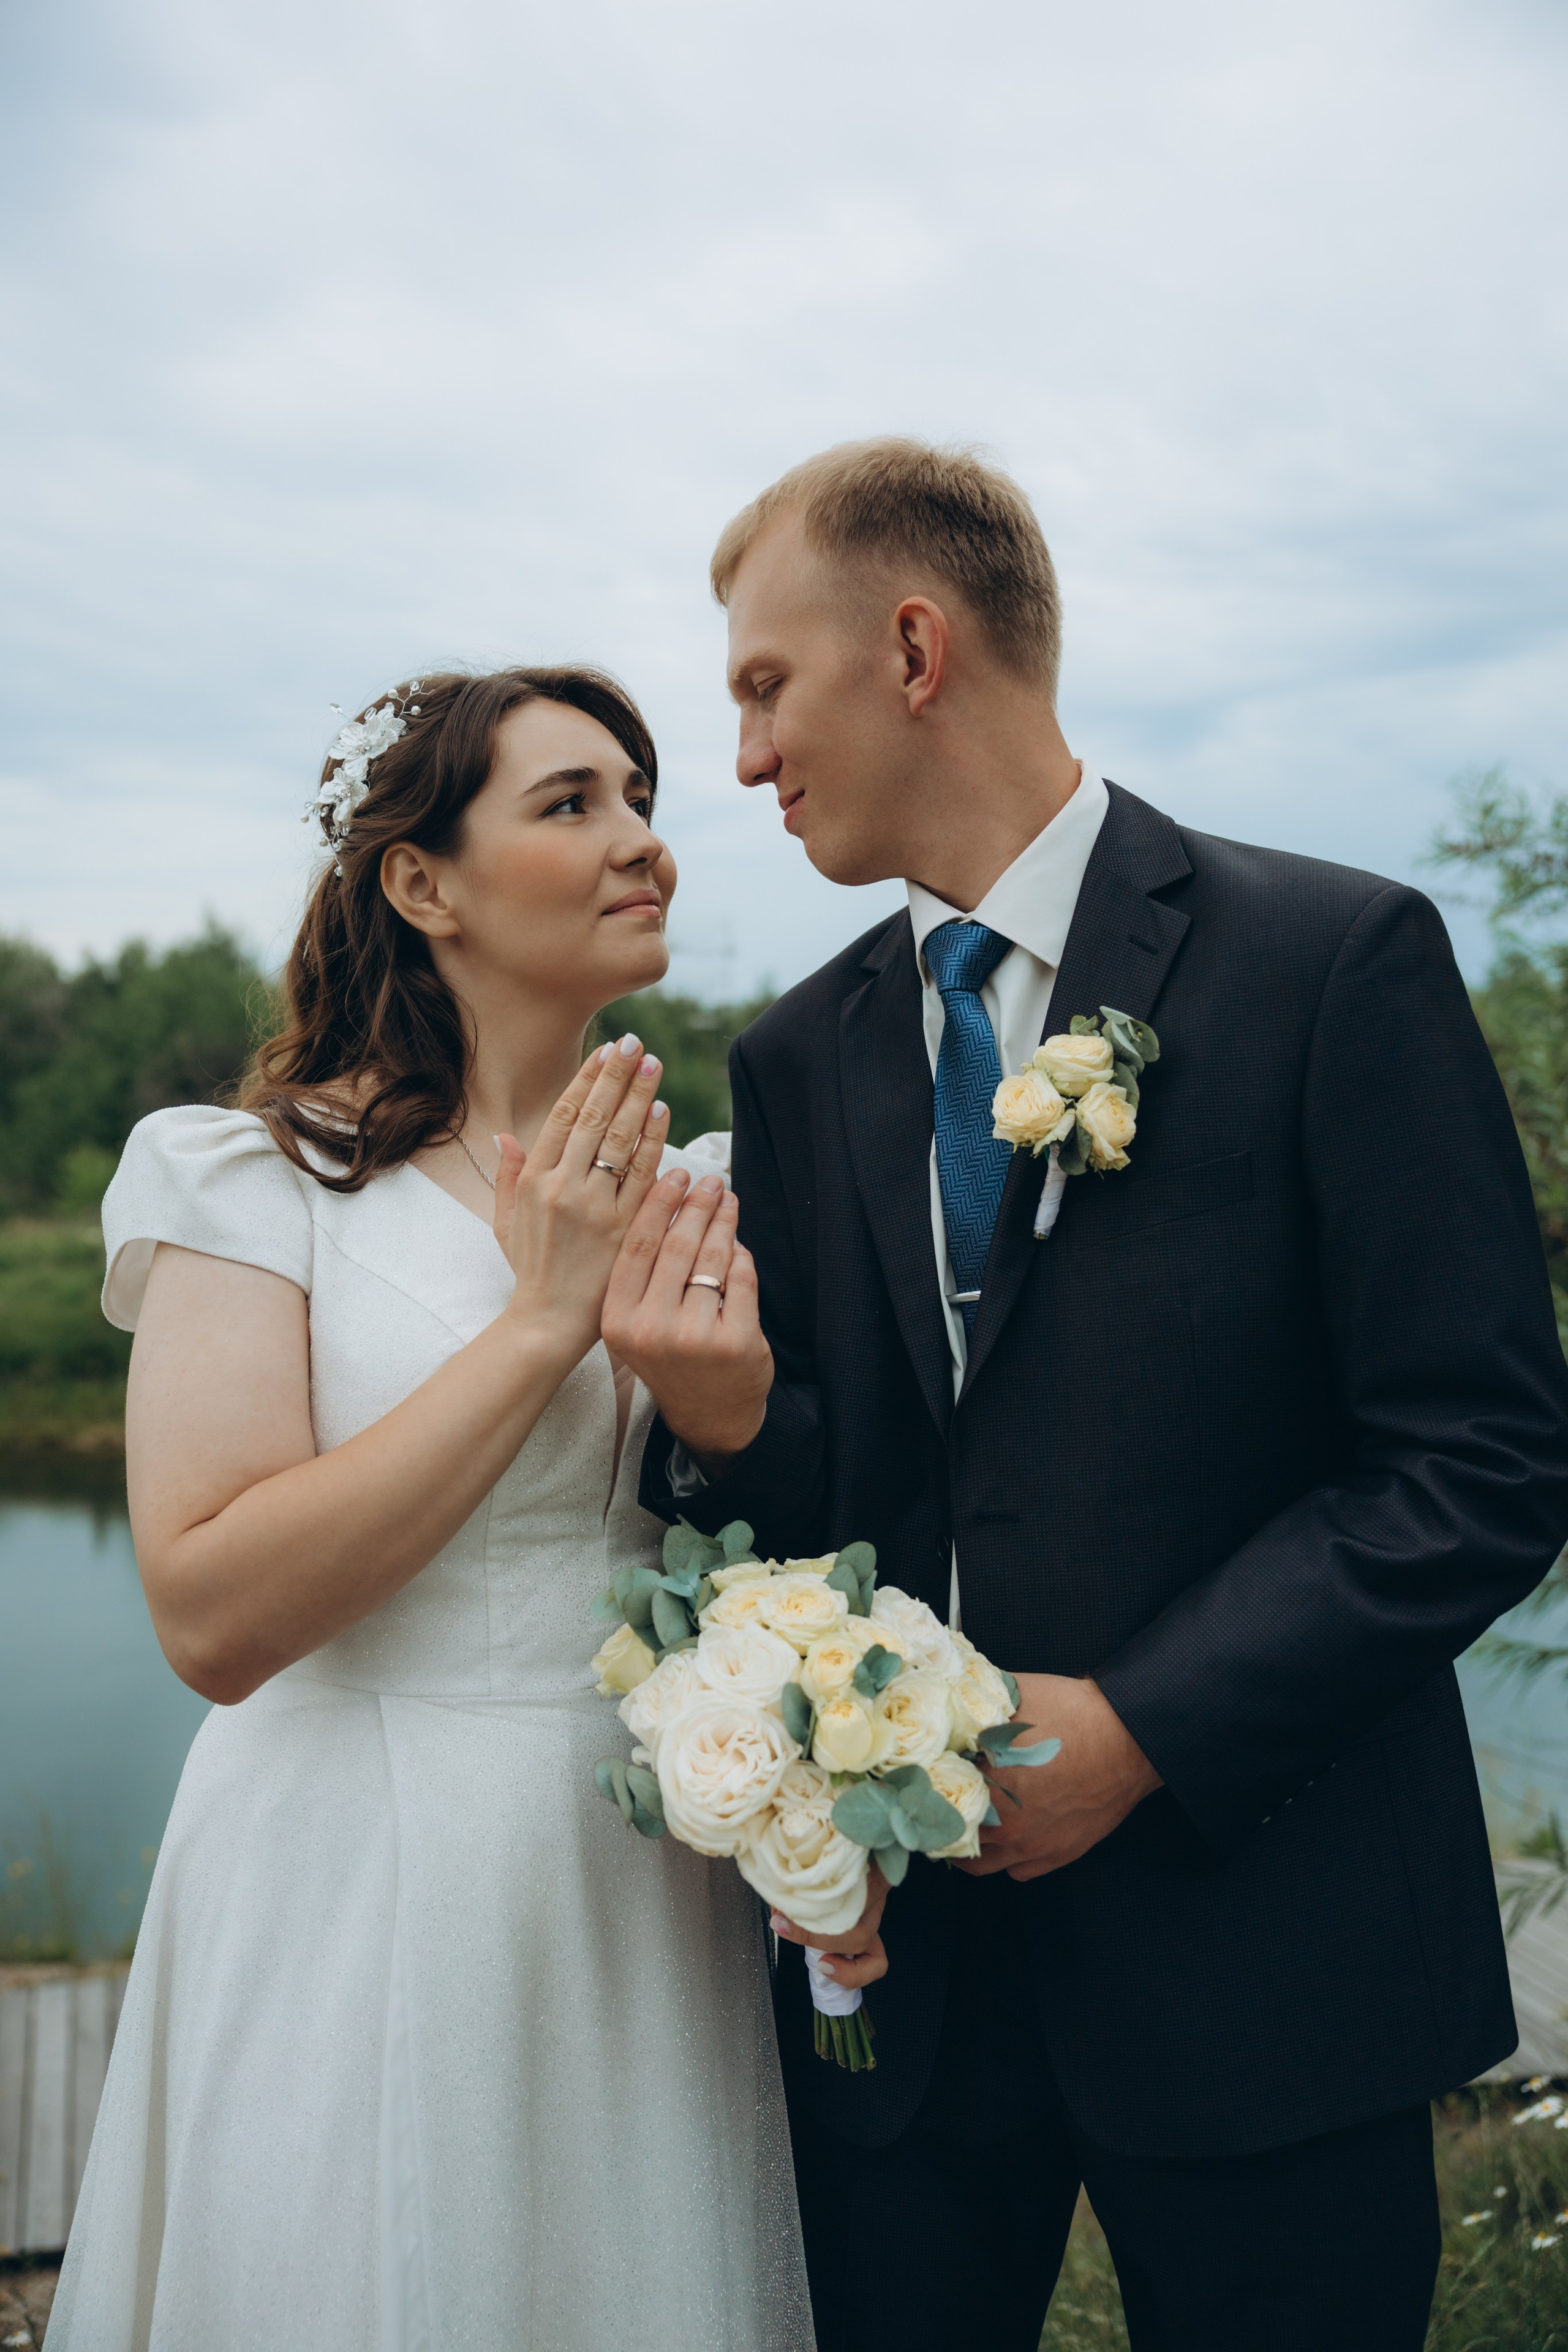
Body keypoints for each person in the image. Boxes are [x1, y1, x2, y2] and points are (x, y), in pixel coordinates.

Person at [606, 441, 1568, 2350]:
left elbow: (1481, 1459)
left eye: (760, 686)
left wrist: (1143, 1725)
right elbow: (803, 1499)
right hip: (910, 1986)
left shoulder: (1332, 963)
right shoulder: (797, 1059)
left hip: (1273, 1956)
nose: (739, 757)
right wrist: (717, 1421)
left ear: (911, 645)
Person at [49, 666, 813, 2352]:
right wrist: (545, 1324)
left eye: (641, 797)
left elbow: (761, 1537)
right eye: (572, 804)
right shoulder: (253, 1180)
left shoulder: (700, 1199)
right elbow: (212, 1616)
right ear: (423, 885)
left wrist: (727, 1417)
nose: (645, 844)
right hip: (357, 1868)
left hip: (635, 1890)